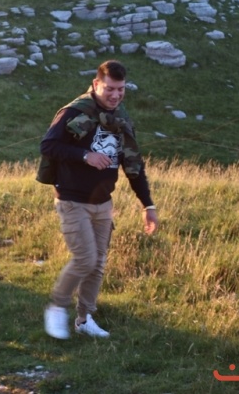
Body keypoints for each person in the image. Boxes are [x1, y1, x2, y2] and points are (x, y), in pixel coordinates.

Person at [39, 60, 159, 340]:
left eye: (121, 89)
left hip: (103, 203)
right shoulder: (74, 111)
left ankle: (84, 319)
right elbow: (48, 145)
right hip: (72, 199)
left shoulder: (121, 118)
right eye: (110, 89)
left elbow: (133, 165)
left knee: (98, 263)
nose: (116, 95)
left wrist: (148, 205)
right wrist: (85, 155)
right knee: (85, 259)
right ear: (96, 84)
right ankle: (57, 306)